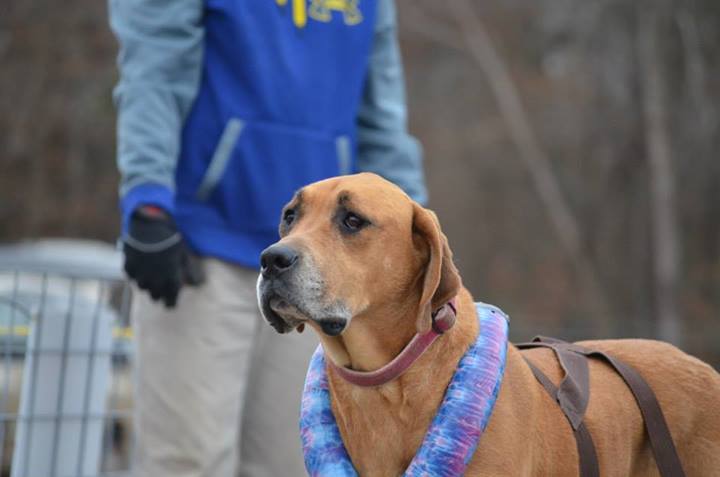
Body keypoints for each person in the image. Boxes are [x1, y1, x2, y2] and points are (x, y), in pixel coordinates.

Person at [109, 0, 427, 476]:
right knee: (186, 463)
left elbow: (381, 119)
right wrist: (149, 202)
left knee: (294, 464)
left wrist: (417, 247)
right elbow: (152, 71)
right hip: (199, 251)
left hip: (326, 273)